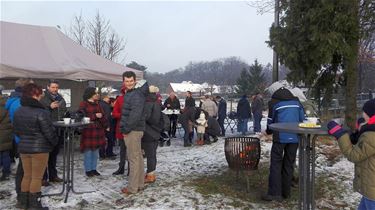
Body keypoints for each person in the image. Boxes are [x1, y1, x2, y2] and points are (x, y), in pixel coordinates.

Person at [13, 83, 58, 210]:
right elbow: (49, 132)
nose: (41, 96)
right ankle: (35, 205)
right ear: (35, 94)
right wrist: (54, 142)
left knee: (27, 175)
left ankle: (23, 203)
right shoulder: (41, 112)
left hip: (24, 148)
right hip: (39, 149)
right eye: (40, 93)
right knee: (36, 178)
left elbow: (16, 131)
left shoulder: (18, 111)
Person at [327, 99, 375, 209]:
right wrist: (360, 131)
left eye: (365, 112)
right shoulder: (370, 131)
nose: (362, 114)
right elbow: (363, 145)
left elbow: (353, 154)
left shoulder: (371, 136)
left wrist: (340, 135)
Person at [262, 87, 305, 201]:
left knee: (276, 164)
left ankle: (274, 193)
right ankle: (286, 192)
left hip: (280, 137)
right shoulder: (297, 103)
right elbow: (302, 119)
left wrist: (268, 131)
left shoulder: (275, 103)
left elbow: (271, 121)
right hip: (295, 137)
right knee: (289, 164)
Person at [5, 78, 34, 207]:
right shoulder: (19, 103)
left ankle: (24, 195)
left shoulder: (13, 100)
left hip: (20, 139)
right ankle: (22, 197)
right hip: (24, 140)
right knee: (24, 171)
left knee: (24, 170)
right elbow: (24, 123)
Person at [120, 71, 149, 195]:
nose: (129, 83)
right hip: (136, 129)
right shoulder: (133, 93)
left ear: (135, 80)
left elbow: (135, 115)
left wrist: (126, 129)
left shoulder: (136, 94)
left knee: (133, 158)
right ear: (123, 81)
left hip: (133, 130)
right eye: (127, 81)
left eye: (131, 81)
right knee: (138, 157)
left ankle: (132, 188)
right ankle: (140, 184)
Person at [40, 79, 66, 184]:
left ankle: (53, 175)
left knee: (54, 155)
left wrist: (61, 110)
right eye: (53, 87)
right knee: (45, 155)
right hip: (47, 130)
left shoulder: (60, 97)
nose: (55, 89)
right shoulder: (43, 97)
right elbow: (39, 112)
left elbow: (64, 109)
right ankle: (43, 178)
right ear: (48, 87)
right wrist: (49, 107)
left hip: (58, 129)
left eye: (56, 87)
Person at [79, 87, 108, 177]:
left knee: (96, 152)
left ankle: (94, 169)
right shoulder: (83, 104)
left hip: (98, 130)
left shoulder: (97, 104)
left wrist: (106, 125)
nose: (97, 94)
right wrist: (94, 116)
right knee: (88, 151)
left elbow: (102, 115)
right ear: (90, 94)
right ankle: (88, 170)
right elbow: (81, 116)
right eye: (95, 93)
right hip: (88, 130)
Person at [142, 85, 163, 183]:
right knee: (152, 155)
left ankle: (149, 175)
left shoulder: (147, 103)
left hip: (147, 132)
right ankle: (152, 174)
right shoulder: (157, 103)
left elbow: (146, 118)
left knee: (148, 155)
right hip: (156, 132)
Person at [111, 85, 127, 176]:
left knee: (132, 152)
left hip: (132, 129)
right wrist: (123, 115)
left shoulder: (136, 99)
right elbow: (114, 113)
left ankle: (131, 170)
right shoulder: (120, 99)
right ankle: (121, 168)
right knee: (122, 150)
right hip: (121, 128)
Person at [0, 87, 13, 181]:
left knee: (4, 155)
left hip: (2, 134)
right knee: (5, 154)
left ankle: (5, 173)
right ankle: (6, 172)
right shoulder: (6, 103)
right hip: (7, 133)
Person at [99, 93, 116, 160]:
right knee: (110, 140)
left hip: (101, 125)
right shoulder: (105, 105)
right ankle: (109, 153)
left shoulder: (100, 104)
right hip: (107, 125)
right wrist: (107, 126)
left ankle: (102, 154)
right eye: (108, 97)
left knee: (102, 141)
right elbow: (107, 116)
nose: (109, 99)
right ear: (105, 98)